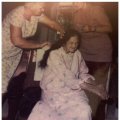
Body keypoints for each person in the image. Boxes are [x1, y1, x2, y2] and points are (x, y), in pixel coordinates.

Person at [2, 2, 64, 120]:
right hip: (3, 54)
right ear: (30, 4)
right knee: (2, 88)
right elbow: (17, 41)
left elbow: (52, 23)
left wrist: (62, 31)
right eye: (41, 5)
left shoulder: (37, 14)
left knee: (14, 86)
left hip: (14, 54)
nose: (43, 8)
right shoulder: (17, 14)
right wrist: (40, 45)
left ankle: (11, 117)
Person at [28, 29, 107, 120]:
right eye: (71, 43)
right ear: (64, 42)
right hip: (53, 92)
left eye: (76, 43)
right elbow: (67, 77)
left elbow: (83, 73)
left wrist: (95, 85)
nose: (74, 46)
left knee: (85, 110)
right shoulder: (54, 54)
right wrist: (93, 89)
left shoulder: (77, 54)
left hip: (71, 91)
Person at [72, 2, 112, 117]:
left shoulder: (96, 9)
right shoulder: (76, 14)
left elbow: (109, 28)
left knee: (98, 90)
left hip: (101, 54)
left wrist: (91, 28)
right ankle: (86, 115)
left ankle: (96, 116)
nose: (74, 4)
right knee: (86, 88)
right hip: (84, 53)